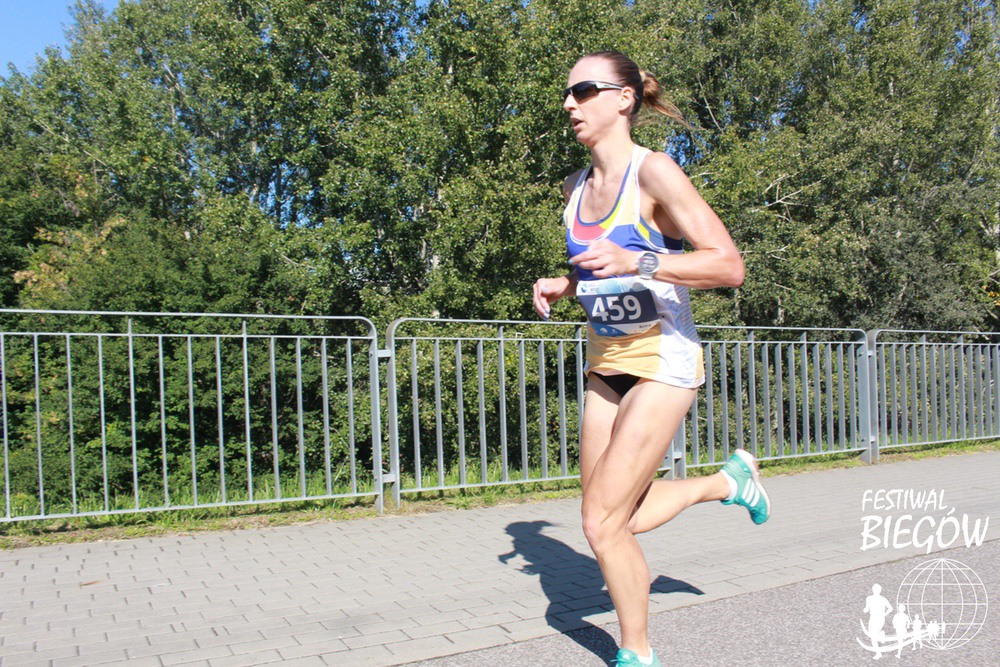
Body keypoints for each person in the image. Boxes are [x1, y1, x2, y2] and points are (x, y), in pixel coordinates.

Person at [532, 51, 771, 667]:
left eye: (584, 90)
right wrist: (567, 285)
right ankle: (727, 482)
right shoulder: (573, 188)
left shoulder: (655, 172)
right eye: (568, 93)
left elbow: (728, 266)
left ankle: (636, 653)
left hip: (663, 356)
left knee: (600, 523)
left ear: (624, 99)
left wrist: (639, 259)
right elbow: (600, 270)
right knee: (617, 517)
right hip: (605, 359)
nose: (569, 103)